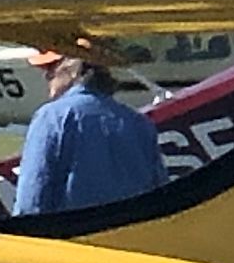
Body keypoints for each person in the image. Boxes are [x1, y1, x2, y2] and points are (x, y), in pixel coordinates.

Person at [14, 48, 169, 217]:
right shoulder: (139, 122)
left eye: (51, 69)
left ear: (73, 70)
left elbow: (31, 200)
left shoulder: (51, 117)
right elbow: (159, 194)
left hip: (75, 236)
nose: (46, 77)